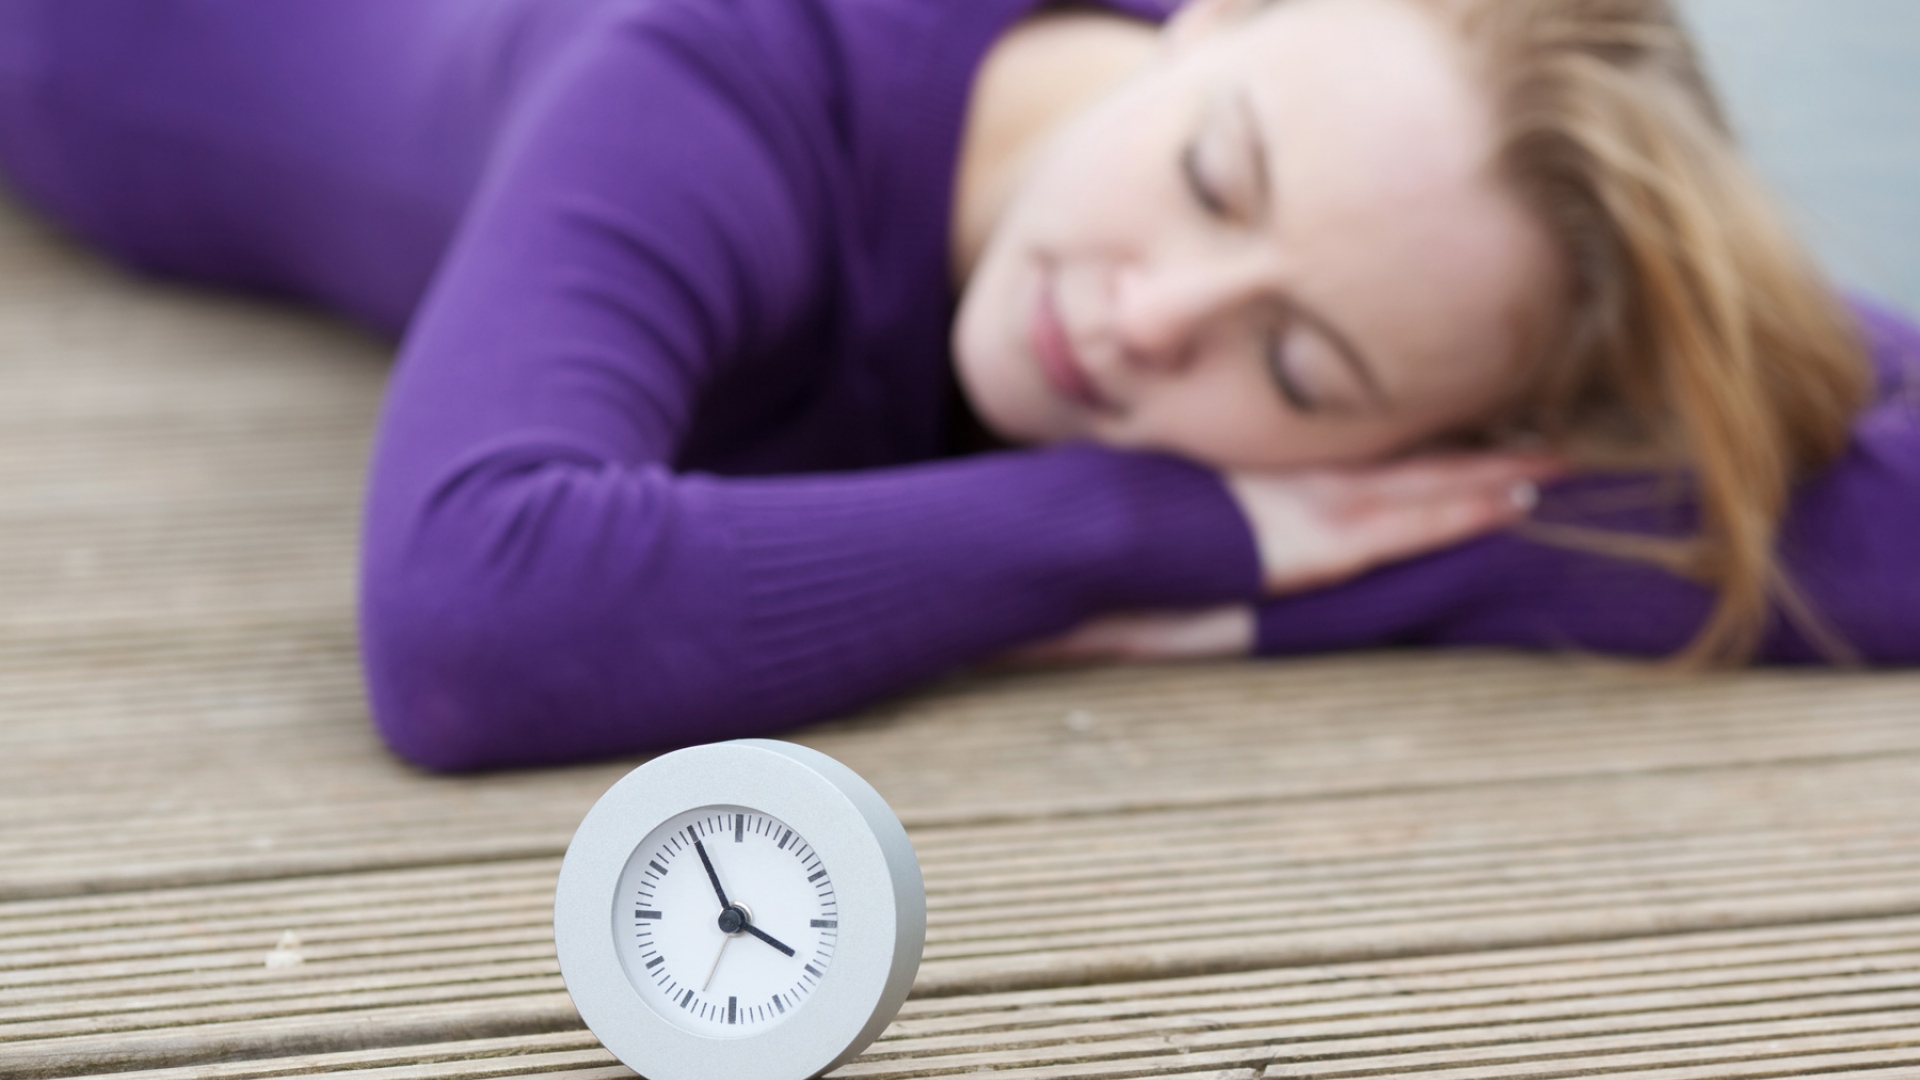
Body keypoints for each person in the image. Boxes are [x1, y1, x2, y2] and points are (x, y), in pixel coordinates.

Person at [0, 0, 1913, 772]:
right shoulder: (736, 64)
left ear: (1439, 436)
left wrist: (1388, 537)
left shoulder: (1401, 206)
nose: (1153, 319)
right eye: (1214, 174)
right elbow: (475, 617)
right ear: (1216, 18)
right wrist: (1166, 528)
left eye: (1297, 362)